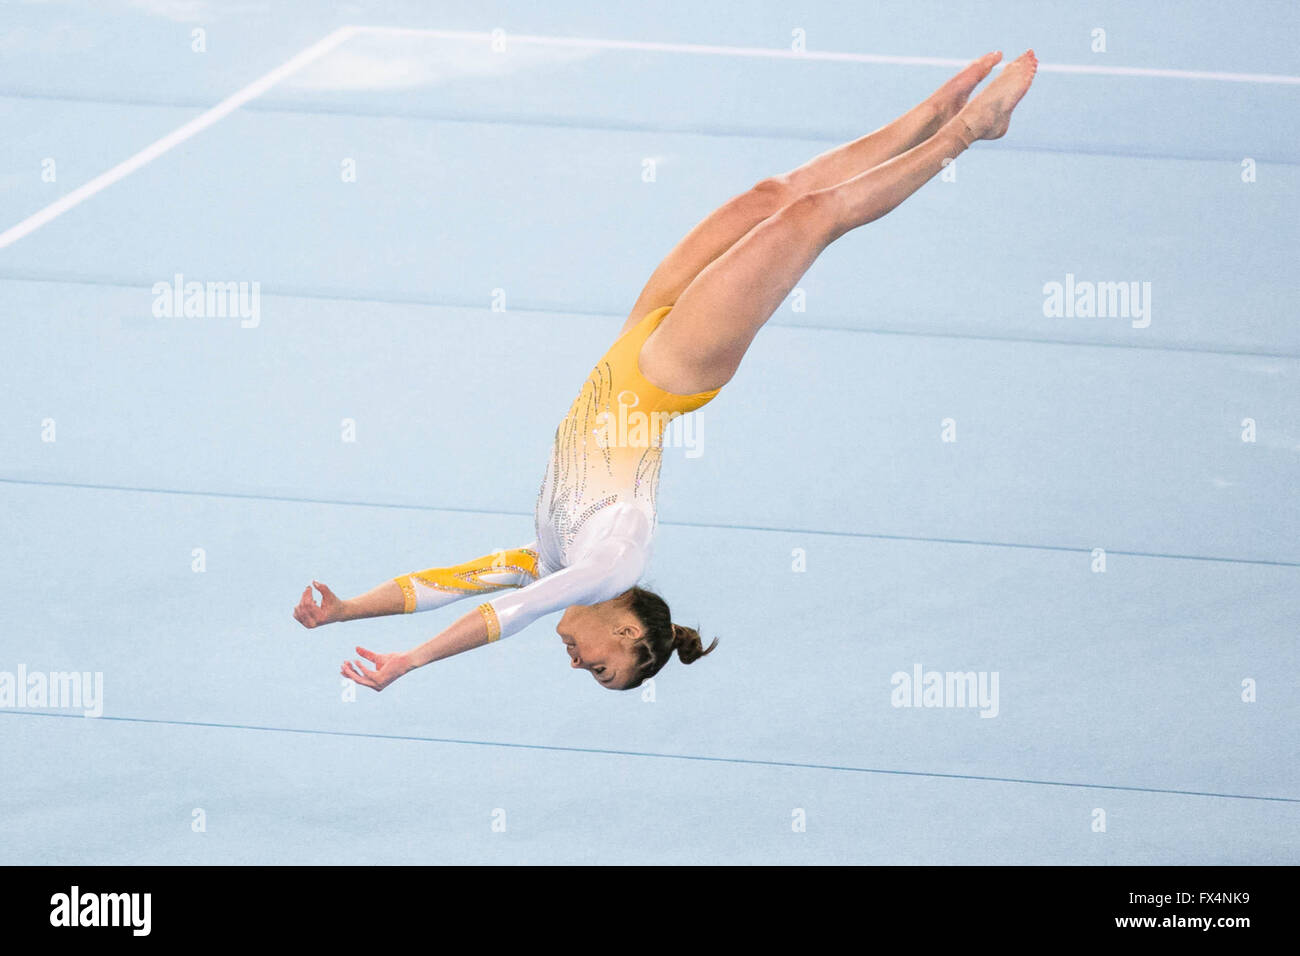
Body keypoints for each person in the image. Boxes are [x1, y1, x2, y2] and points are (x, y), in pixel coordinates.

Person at [294, 50, 1038, 692]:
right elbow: (506, 619)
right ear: (629, 635)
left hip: (634, 344)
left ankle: (933, 112)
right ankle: (967, 129)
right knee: (811, 219)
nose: (578, 662)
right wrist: (411, 663)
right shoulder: (611, 563)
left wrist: (348, 612)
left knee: (774, 199)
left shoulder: (551, 561)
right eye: (600, 666)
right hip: (671, 375)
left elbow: (452, 584)